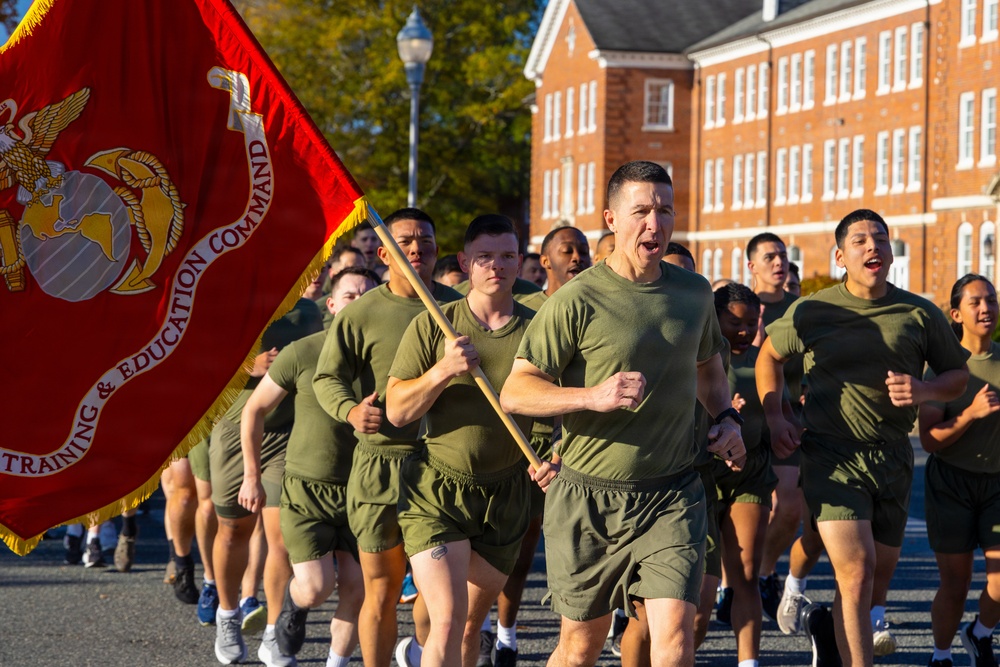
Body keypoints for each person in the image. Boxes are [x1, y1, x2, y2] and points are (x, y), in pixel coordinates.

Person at [500, 160, 746, 667]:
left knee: (675, 638)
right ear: (611, 219)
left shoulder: (694, 293)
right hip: (588, 497)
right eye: (641, 211)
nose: (654, 224)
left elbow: (709, 371)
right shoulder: (575, 299)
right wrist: (592, 396)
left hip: (672, 493)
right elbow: (516, 391)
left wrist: (726, 420)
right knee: (579, 648)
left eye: (664, 210)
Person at [757, 208, 970, 666]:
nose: (873, 246)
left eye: (881, 238)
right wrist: (776, 416)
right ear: (840, 255)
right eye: (860, 240)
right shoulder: (814, 309)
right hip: (832, 456)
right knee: (856, 571)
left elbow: (957, 375)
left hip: (893, 459)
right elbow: (769, 357)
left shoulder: (919, 312)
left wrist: (924, 389)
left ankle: (827, 634)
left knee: (871, 583)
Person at [386, 213, 537, 667]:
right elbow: (396, 410)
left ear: (520, 261)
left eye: (508, 256)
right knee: (448, 620)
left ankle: (422, 655)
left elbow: (559, 405)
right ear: (465, 261)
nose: (497, 266)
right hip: (437, 491)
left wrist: (553, 456)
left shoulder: (540, 325)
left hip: (506, 495)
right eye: (485, 256)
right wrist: (442, 370)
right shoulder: (436, 323)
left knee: (471, 626)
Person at [314, 208, 458, 667]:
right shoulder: (362, 313)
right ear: (383, 253)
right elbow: (327, 378)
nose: (418, 249)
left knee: (439, 594)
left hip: (442, 467)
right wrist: (351, 410)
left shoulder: (458, 308)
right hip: (379, 467)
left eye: (427, 242)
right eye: (405, 242)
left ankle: (418, 652)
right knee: (382, 587)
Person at [240, 268, 378, 667]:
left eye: (368, 296)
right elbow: (255, 410)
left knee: (356, 587)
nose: (359, 303)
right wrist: (252, 476)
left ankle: (336, 662)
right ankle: (296, 607)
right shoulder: (303, 352)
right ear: (331, 305)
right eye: (349, 296)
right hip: (307, 488)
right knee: (317, 587)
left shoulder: (388, 356)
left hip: (365, 489)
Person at [490, 225, 592, 667]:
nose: (578, 257)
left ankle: (509, 636)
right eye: (567, 250)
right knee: (499, 544)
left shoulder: (597, 302)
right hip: (518, 442)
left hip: (572, 446)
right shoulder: (526, 309)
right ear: (545, 261)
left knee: (536, 546)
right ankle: (489, 628)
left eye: (583, 250)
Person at [210, 297, 323, 664]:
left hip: (288, 434)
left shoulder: (308, 312)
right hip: (236, 432)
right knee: (232, 531)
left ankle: (274, 630)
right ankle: (227, 614)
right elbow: (200, 364)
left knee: (284, 538)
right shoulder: (233, 307)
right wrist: (248, 366)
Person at [919, 274, 1000, 667]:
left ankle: (980, 633)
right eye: (976, 302)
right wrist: (970, 414)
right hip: (951, 483)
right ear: (956, 313)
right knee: (955, 584)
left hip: (998, 484)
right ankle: (941, 654)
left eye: (992, 300)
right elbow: (930, 440)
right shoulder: (944, 369)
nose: (986, 308)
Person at [711, 284, 777, 667]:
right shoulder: (701, 359)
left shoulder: (764, 360)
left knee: (747, 572)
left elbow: (778, 413)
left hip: (750, 474)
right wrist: (719, 415)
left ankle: (748, 662)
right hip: (700, 475)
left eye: (751, 323)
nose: (743, 330)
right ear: (715, 318)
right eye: (733, 321)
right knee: (699, 591)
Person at [744, 232, 801, 622]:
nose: (779, 263)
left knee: (790, 507)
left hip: (786, 419)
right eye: (769, 257)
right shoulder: (737, 307)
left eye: (782, 255)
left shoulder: (802, 311)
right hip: (743, 417)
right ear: (752, 266)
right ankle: (737, 581)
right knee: (746, 510)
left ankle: (764, 570)